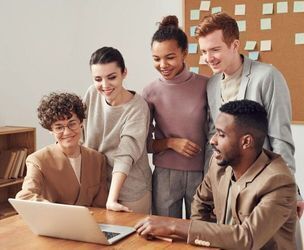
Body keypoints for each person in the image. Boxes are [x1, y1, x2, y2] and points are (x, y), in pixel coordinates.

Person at [135, 100, 297, 250]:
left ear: (246, 142)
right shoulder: (219, 164)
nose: (212, 140)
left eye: (221, 134)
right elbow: (201, 203)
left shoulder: (278, 182)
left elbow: (247, 238)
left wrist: (173, 225)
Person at [142, 15, 208, 219]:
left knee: (201, 234)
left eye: (170, 57)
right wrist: (171, 143)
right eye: (156, 58)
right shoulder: (150, 92)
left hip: (202, 174)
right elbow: (144, 144)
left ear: (184, 53)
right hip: (164, 175)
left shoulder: (207, 85)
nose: (163, 64)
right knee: (166, 238)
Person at [82, 46, 152, 214]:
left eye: (111, 77)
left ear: (124, 73)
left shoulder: (137, 107)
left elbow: (125, 154)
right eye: (98, 79)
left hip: (130, 190)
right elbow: (80, 133)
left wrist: (112, 199)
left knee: (132, 239)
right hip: (98, 187)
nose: (104, 85)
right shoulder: (92, 94)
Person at [16, 92, 108, 207]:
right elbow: (25, 197)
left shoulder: (97, 159)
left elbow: (101, 203)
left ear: (81, 123)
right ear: (50, 130)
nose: (67, 132)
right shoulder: (38, 160)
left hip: (92, 222)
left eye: (72, 124)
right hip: (54, 222)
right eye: (59, 127)